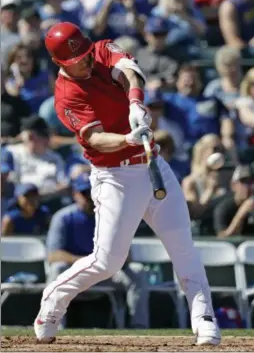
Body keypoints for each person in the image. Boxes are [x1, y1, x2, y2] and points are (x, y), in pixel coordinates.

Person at [34, 21, 221, 346]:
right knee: (107, 262)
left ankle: (205, 320)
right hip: (114, 177)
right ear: (61, 63)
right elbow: (96, 138)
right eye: (78, 59)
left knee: (184, 249)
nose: (87, 60)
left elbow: (130, 72)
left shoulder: (101, 49)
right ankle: (52, 301)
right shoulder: (66, 96)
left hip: (152, 165)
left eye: (86, 52)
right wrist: (127, 138)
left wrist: (135, 101)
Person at [47, 172, 149, 328]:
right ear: (75, 194)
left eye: (94, 191)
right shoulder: (63, 217)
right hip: (75, 272)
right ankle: (54, 325)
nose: (90, 196)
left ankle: (139, 327)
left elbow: (127, 254)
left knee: (137, 271)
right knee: (57, 268)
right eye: (85, 193)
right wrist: (85, 261)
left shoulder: (112, 216)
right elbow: (54, 255)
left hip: (106, 271)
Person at [7, 116, 68, 197]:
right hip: (21, 202)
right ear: (29, 137)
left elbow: (64, 185)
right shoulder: (12, 153)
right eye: (43, 135)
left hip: (51, 201)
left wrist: (40, 195)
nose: (47, 139)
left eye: (48, 135)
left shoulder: (55, 157)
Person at [214, 165, 254, 238]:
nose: (249, 186)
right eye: (244, 182)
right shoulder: (224, 208)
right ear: (233, 185)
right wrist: (240, 215)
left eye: (252, 182)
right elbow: (222, 238)